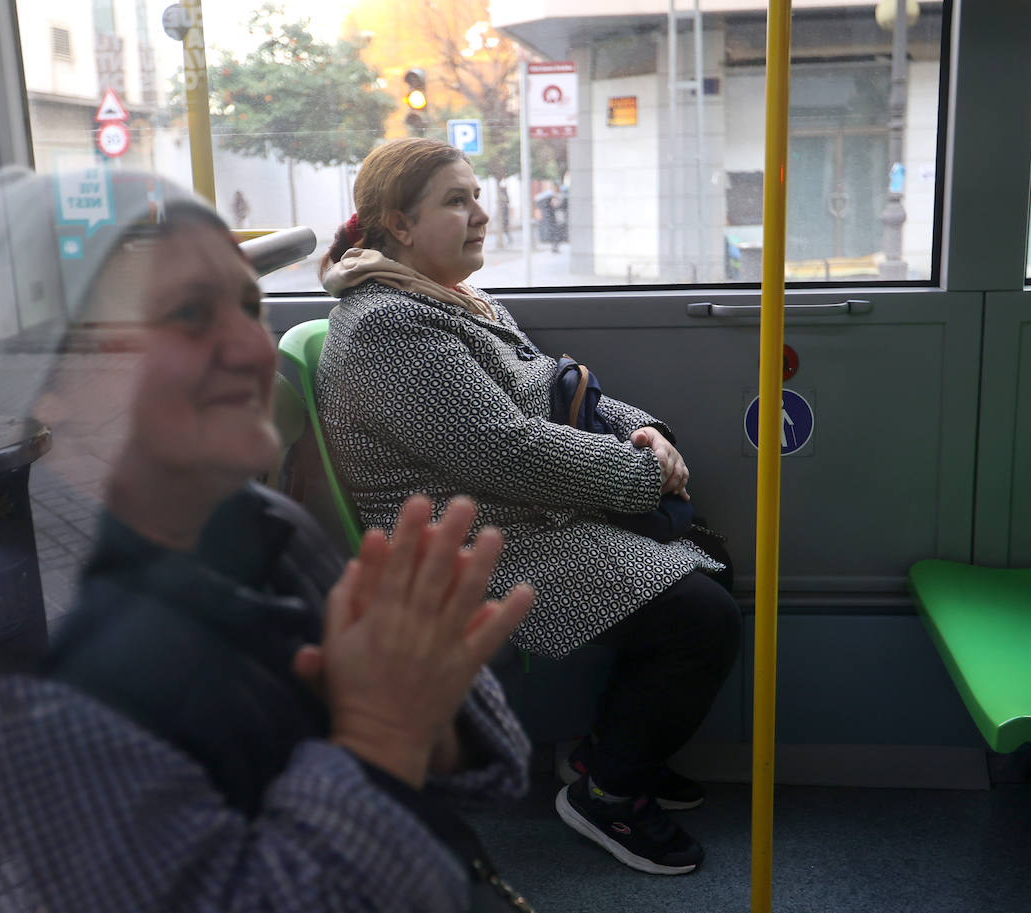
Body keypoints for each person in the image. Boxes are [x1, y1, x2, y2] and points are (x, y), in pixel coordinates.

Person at [0, 167, 539, 913]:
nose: (253, 350)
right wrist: (380, 735)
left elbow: (485, 767)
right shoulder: (6, 638)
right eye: (186, 315)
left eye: (248, 307)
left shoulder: (252, 520)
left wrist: (419, 699)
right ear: (40, 382)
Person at [315, 137, 742, 876]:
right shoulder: (388, 326)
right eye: (457, 200)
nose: (481, 214)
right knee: (703, 619)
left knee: (711, 568)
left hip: (516, 513)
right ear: (400, 223)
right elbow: (503, 448)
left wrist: (642, 431)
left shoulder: (451, 297)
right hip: (471, 542)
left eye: (476, 195)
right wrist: (643, 477)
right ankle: (608, 794)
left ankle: (610, 754)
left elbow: (552, 382)